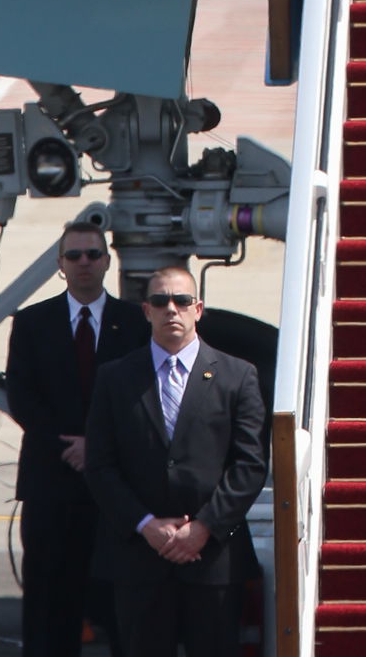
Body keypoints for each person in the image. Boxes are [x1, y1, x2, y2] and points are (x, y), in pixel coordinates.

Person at [84, 263, 267, 657]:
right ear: (146, 310)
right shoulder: (115, 378)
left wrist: (204, 527)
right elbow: (100, 465)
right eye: (160, 300)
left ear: (198, 309)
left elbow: (249, 465)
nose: (171, 309)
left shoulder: (238, 376)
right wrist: (146, 525)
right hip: (138, 557)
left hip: (214, 558)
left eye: (182, 300)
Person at [6, 219, 149, 657]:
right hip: (52, 478)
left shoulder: (136, 322)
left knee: (122, 599)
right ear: (60, 266)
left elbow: (144, 396)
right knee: (49, 601)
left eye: (92, 254)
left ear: (108, 261)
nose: (84, 263)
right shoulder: (32, 322)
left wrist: (97, 447)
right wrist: (70, 446)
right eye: (74, 256)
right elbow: (21, 396)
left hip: (117, 485)